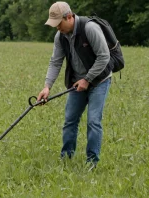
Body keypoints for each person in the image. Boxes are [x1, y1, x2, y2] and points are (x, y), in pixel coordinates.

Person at [37, 1, 113, 171]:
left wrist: (87, 79)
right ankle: (66, 158)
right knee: (70, 120)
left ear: (69, 17)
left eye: (59, 24)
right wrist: (47, 86)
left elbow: (104, 56)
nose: (57, 28)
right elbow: (55, 62)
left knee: (93, 121)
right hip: (76, 83)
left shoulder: (90, 28)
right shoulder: (60, 37)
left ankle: (91, 163)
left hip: (99, 80)